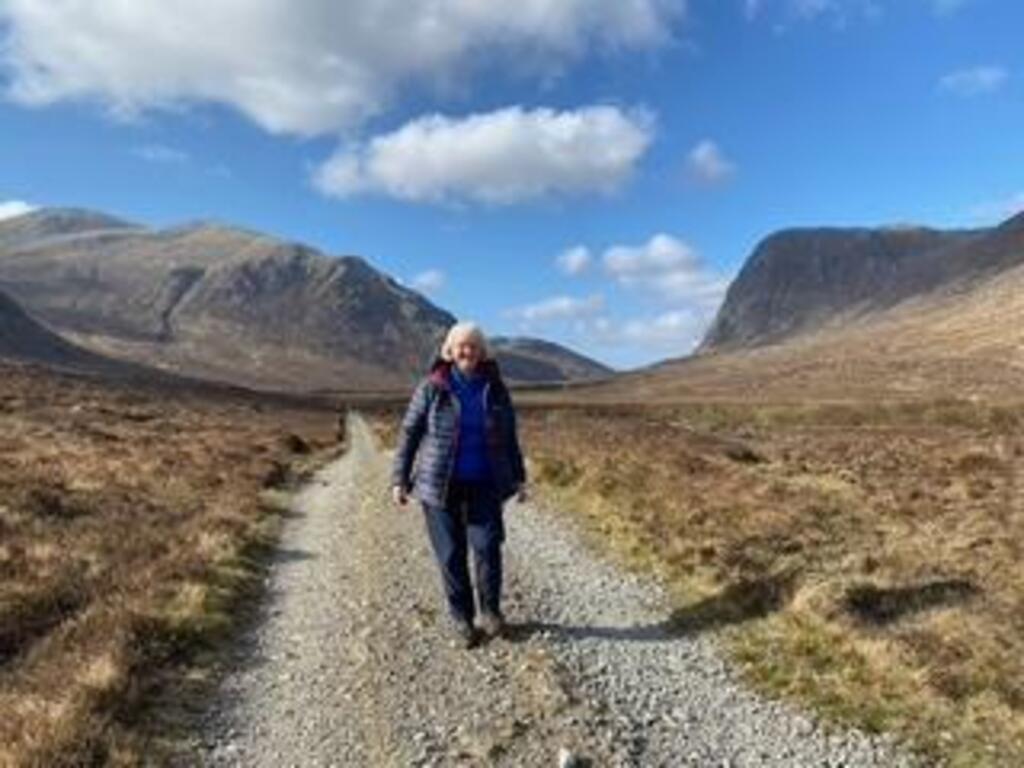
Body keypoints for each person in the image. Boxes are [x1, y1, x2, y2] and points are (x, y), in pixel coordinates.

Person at [391, 321, 527, 648]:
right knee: (451, 554)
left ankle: (490, 612)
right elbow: (410, 433)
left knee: (487, 546)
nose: (468, 351)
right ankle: (462, 619)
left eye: (474, 346)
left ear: (482, 351)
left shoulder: (495, 388)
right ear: (449, 351)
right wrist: (399, 479)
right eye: (461, 346)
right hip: (439, 485)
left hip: (485, 483)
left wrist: (519, 477)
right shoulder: (431, 387)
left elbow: (509, 436)